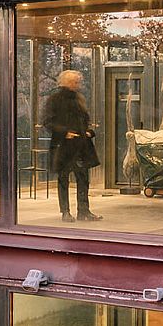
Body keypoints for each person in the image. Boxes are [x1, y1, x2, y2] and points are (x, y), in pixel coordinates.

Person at [42, 69, 102, 222]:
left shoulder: (79, 98)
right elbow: (47, 122)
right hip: (63, 147)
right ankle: (65, 212)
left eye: (77, 81)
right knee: (63, 180)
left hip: (81, 145)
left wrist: (89, 132)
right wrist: (65, 133)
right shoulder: (54, 99)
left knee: (83, 179)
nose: (77, 84)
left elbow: (85, 120)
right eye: (74, 81)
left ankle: (84, 211)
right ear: (65, 82)